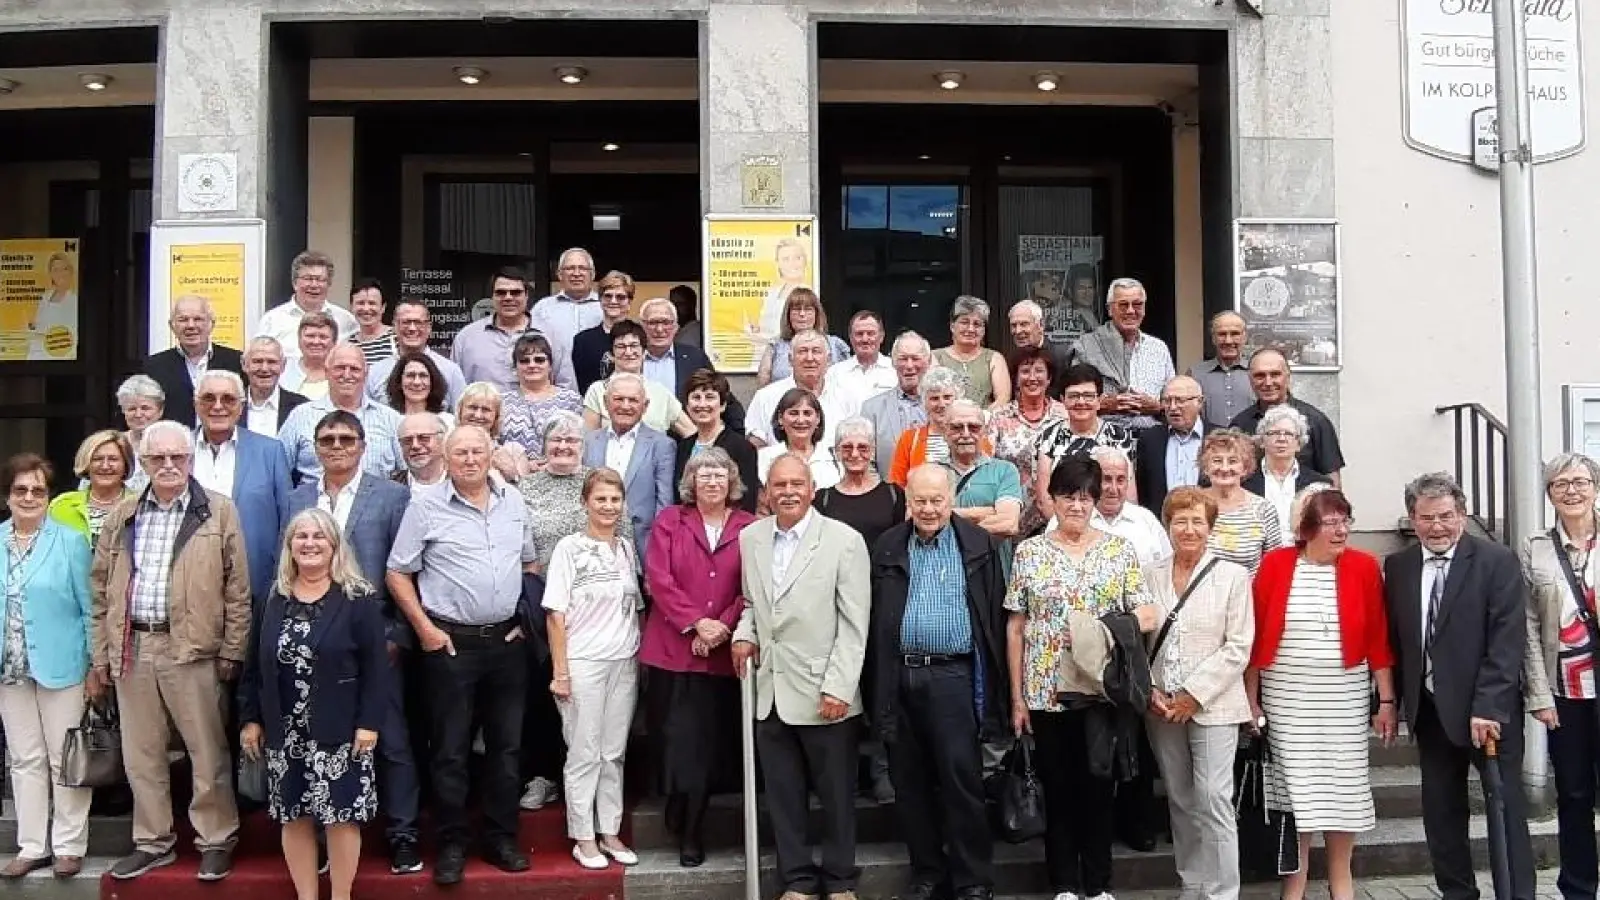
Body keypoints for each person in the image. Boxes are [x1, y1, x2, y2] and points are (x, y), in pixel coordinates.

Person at [89, 420, 250, 881]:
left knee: (207, 752)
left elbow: (238, 588)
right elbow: (100, 589)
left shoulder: (217, 510)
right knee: (142, 755)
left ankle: (215, 839)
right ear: (143, 463)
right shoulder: (124, 513)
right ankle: (153, 841)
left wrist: (233, 649)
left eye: (177, 457)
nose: (168, 465)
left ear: (190, 460)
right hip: (133, 647)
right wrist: (101, 655)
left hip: (194, 650)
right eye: (158, 458)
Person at [385, 425, 537, 885]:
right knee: (450, 750)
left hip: (507, 644)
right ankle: (451, 843)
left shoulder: (513, 500)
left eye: (477, 451)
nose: (470, 460)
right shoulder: (425, 506)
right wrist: (425, 630)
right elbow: (397, 572)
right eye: (461, 453)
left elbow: (529, 561)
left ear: (491, 454)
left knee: (506, 748)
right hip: (450, 645)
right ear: (446, 459)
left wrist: (524, 619)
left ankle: (501, 837)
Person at [1006, 457, 1154, 900]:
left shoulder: (1118, 551)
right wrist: (1016, 698)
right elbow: (1016, 626)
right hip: (1045, 689)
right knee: (1058, 787)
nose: (1077, 505)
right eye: (1068, 496)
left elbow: (1146, 613)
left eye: (1085, 497)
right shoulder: (1029, 552)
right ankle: (1064, 884)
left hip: (1099, 691)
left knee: (1097, 787)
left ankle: (1098, 883)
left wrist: (1101, 631)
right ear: (1052, 500)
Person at [1384, 473, 1534, 900]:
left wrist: (1488, 706)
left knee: (1504, 809)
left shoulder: (1496, 561)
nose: (1437, 526)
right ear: (1413, 519)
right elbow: (1397, 639)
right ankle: (1457, 893)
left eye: (1446, 516)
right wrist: (1390, 701)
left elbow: (1506, 641)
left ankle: (1516, 894)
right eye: (1427, 517)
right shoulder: (1399, 567)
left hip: (1486, 711)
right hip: (1430, 710)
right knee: (1441, 813)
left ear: (1462, 516)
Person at [284, 410, 418, 873]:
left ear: (362, 445)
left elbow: (407, 567)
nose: (337, 446)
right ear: (315, 447)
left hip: (378, 638)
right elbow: (285, 565)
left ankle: (403, 834)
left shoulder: (393, 496)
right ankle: (325, 837)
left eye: (346, 438)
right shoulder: (298, 498)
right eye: (327, 439)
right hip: (313, 644)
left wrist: (399, 634)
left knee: (392, 740)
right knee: (321, 742)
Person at [732, 454, 871, 900]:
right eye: (779, 485)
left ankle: (841, 881)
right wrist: (743, 634)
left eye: (797, 484)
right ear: (766, 493)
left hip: (824, 690)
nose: (788, 492)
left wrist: (839, 687)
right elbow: (752, 604)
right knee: (783, 795)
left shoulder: (844, 541)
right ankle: (797, 881)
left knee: (836, 796)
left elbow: (854, 623)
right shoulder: (751, 537)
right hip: (770, 688)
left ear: (813, 490)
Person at [1248, 489, 1396, 900]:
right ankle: (1294, 883)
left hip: (1344, 697)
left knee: (1344, 787)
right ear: (1307, 528)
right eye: (1330, 522)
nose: (1341, 530)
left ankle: (1340, 880)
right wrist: (1251, 700)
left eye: (1345, 520)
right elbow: (1255, 636)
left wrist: (1386, 701)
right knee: (1293, 790)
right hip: (1286, 697)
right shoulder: (1276, 564)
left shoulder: (1364, 566)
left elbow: (1378, 637)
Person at [868, 464, 1008, 900]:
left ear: (952, 501)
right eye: (920, 501)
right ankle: (927, 874)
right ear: (908, 502)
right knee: (909, 783)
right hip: (900, 674)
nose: (928, 509)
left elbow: (994, 617)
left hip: (954, 676)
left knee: (961, 779)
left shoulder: (978, 544)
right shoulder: (888, 545)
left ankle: (973, 880)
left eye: (937, 500)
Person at [238, 508, 388, 900]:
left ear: (335, 545)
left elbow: (376, 669)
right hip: (285, 730)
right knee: (294, 816)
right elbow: (253, 664)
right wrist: (251, 718)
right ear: (290, 546)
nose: (310, 544)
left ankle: (340, 896)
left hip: (341, 729)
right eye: (301, 536)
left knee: (341, 817)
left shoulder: (357, 599)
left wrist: (369, 722)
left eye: (319, 536)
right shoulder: (272, 598)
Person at [643, 448, 755, 866]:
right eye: (704, 474)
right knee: (673, 740)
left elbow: (751, 585)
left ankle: (692, 830)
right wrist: (695, 623)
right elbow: (659, 578)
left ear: (731, 482)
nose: (711, 481)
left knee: (704, 748)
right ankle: (675, 801)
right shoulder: (670, 520)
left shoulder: (749, 526)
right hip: (671, 651)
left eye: (719, 474)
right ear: (691, 481)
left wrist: (720, 626)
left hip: (720, 656)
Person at [1143, 487, 1254, 900]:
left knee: (1213, 798)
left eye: (1197, 522)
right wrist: (1150, 688)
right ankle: (1193, 884)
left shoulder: (1233, 576)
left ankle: (1222, 892)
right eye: (1180, 521)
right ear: (1167, 526)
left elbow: (1238, 645)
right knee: (1180, 797)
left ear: (1210, 528)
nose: (1188, 529)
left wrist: (1194, 694)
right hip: (1161, 706)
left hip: (1214, 704)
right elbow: (1138, 639)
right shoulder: (1149, 573)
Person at [543, 467, 643, 870]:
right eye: (600, 498)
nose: (608, 506)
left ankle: (610, 832)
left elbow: (635, 608)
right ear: (585, 502)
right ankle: (583, 837)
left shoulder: (626, 549)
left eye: (615, 499)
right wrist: (561, 672)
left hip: (624, 660)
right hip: (583, 662)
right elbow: (555, 614)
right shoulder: (569, 548)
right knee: (584, 751)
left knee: (613, 752)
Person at [0, 454, 94, 879]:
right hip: (10, 668)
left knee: (64, 758)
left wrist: (95, 665)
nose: (29, 497)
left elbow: (90, 608)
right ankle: (32, 846)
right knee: (24, 758)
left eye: (38, 490)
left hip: (63, 664)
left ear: (49, 495)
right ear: (7, 496)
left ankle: (69, 846)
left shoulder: (70, 541)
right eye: (20, 489)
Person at [1521, 453, 1600, 900]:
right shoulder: (1536, 547)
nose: (1572, 491)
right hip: (1566, 690)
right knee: (1573, 794)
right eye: (1560, 484)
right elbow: (1528, 627)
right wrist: (1539, 693)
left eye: (1580, 482)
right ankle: (1578, 888)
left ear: (1595, 487)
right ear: (1550, 494)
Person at [513, 412, 591, 813]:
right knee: (542, 693)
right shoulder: (524, 487)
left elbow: (623, 540)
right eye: (555, 440)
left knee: (586, 696)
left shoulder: (598, 483)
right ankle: (543, 776)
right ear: (543, 447)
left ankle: (585, 780)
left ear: (583, 447)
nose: (563, 447)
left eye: (571, 440)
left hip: (591, 609)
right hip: (540, 607)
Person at [191, 370, 294, 601]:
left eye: (228, 399)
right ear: (196, 405)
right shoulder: (178, 451)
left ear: (241, 406)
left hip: (254, 581)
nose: (218, 406)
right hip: (189, 584)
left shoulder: (270, 452)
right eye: (209, 398)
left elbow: (288, 521)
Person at [580, 373, 676, 563]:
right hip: (592, 548)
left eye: (633, 400)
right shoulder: (588, 442)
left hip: (643, 549)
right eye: (618, 399)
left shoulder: (662, 445)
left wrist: (658, 556)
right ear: (606, 403)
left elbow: (664, 504)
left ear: (645, 406)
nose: (625, 406)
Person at [278, 344, 404, 485]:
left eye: (354, 369)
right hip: (315, 498)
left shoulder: (390, 419)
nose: (347, 375)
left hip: (377, 497)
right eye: (340, 368)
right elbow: (278, 471)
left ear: (366, 374)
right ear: (326, 372)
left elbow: (408, 473)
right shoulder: (300, 416)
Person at [1034, 363, 1138, 521]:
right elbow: (1045, 501)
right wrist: (1071, 528)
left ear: (1100, 400)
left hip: (1111, 525)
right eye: (1073, 396)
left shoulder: (1119, 436)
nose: (1081, 402)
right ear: (1062, 400)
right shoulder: (1049, 437)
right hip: (1061, 525)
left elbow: (1129, 497)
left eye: (1088, 396)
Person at [1229, 349, 1345, 488]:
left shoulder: (1315, 421)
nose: (1268, 382)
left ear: (1288, 376)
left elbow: (1332, 480)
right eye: (1260, 376)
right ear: (1250, 379)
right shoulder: (1240, 425)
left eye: (1275, 374)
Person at [1071, 277, 1174, 430]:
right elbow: (1072, 401)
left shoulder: (1158, 349)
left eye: (1137, 304)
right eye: (1123, 305)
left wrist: (1156, 407)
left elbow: (1174, 401)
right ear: (1109, 309)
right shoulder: (1086, 346)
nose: (1131, 311)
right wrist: (1104, 404)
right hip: (1103, 437)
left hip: (1152, 437)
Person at [987, 348, 1066, 538]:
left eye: (1039, 371)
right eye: (1025, 371)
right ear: (1015, 378)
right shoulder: (998, 416)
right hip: (1011, 515)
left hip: (1057, 515)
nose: (1032, 378)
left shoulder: (1064, 415)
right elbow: (986, 463)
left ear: (1049, 378)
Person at [944, 401, 1024, 571]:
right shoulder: (930, 472)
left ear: (985, 431)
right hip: (944, 569)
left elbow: (1008, 524)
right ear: (945, 431)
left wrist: (946, 517)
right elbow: (915, 519)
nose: (966, 434)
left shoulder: (1004, 470)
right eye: (957, 427)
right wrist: (984, 512)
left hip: (991, 569)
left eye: (974, 427)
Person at [143, 295, 244, 429]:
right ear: (172, 326)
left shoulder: (236, 362)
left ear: (211, 324)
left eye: (198, 319)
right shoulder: (153, 367)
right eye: (183, 320)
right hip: (174, 441)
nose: (191, 325)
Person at [747, 329, 856, 448]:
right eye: (802, 351)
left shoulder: (846, 397)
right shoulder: (765, 397)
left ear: (829, 359)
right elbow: (756, 445)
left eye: (816, 351)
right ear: (790, 359)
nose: (809, 358)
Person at [582, 322, 693, 437]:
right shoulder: (597, 391)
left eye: (634, 345)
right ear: (611, 355)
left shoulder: (660, 392)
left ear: (644, 352)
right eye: (621, 346)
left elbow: (691, 432)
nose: (628, 352)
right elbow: (588, 440)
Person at [674, 369, 759, 514]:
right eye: (696, 397)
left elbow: (747, 502)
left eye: (709, 397)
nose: (702, 404)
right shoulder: (683, 447)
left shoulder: (742, 447)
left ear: (723, 405)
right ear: (687, 406)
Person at [452, 267, 548, 394]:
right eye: (501, 292)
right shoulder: (467, 338)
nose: (508, 297)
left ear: (526, 296)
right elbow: (455, 389)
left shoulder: (549, 335)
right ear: (492, 297)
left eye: (515, 292)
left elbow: (564, 385)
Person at [1243, 405, 1331, 545]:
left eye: (1289, 434)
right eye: (1274, 433)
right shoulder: (1244, 482)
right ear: (1262, 441)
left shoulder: (1319, 485)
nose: (1281, 439)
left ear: (1299, 443)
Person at [816, 417, 906, 553]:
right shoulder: (823, 499)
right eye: (847, 448)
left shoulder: (894, 494)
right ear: (837, 452)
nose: (854, 454)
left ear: (872, 451)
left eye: (862, 448)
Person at [1199, 429, 1281, 575]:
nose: (1224, 468)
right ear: (1205, 467)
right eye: (1217, 461)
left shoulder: (1263, 509)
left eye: (1233, 461)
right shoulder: (1191, 504)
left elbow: (1275, 565)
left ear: (1245, 468)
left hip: (1247, 589)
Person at [364, 300, 469, 410]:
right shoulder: (375, 373)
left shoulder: (451, 371)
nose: (412, 328)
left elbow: (462, 414)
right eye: (406, 322)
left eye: (418, 322)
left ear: (429, 327)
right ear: (394, 326)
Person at [255, 250, 360, 354]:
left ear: (329, 284)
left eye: (320, 279)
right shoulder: (272, 320)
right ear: (294, 283)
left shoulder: (346, 320)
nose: (314, 285)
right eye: (308, 279)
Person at [500, 332, 583, 460]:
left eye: (539, 360)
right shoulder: (502, 402)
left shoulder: (571, 400)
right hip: (513, 471)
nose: (532, 365)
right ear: (515, 367)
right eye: (524, 361)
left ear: (550, 365)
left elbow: (581, 443)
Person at [861, 332, 933, 477]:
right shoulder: (872, 409)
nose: (909, 365)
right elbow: (866, 462)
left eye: (915, 358)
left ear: (928, 361)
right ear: (893, 362)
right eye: (903, 359)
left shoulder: (944, 406)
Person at [1134, 375, 1207, 518]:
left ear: (1199, 402)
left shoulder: (1217, 438)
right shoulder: (1149, 439)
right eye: (1167, 401)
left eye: (1180, 400)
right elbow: (1143, 492)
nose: (1173, 407)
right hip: (1160, 526)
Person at [530, 247, 602, 391]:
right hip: (555, 391)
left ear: (592, 274)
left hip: (600, 390)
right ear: (559, 274)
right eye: (570, 268)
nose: (576, 273)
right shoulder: (543, 309)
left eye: (582, 268)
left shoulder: (605, 307)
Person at [50, 430, 136, 546]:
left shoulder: (141, 505)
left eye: (113, 459)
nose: (105, 466)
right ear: (86, 464)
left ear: (126, 464)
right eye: (97, 459)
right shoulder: (61, 505)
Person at [756, 287, 850, 387]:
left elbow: (847, 383)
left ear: (817, 314)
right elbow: (763, 386)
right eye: (796, 309)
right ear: (788, 315)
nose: (802, 314)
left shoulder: (835, 345)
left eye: (808, 309)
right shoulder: (776, 346)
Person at [888, 365, 964, 486]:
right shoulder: (909, 439)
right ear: (924, 402)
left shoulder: (973, 436)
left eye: (947, 397)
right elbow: (897, 485)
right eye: (934, 398)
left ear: (958, 399)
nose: (941, 404)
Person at [757, 388, 842, 492]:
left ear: (818, 418)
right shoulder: (763, 458)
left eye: (807, 413)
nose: (801, 420)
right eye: (793, 413)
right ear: (780, 418)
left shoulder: (835, 458)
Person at [934, 295, 1011, 407]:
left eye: (977, 324)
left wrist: (980, 416)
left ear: (984, 330)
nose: (970, 329)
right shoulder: (935, 357)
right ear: (952, 326)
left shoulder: (994, 358)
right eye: (964, 322)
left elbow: (1002, 399)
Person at [571, 270, 634, 394]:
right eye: (608, 296)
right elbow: (583, 385)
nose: (613, 301)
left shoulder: (640, 336)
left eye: (620, 297)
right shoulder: (583, 340)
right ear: (600, 300)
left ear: (629, 302)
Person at [1187, 312, 1251, 431]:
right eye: (1222, 334)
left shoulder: (1257, 373)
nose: (1228, 341)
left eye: (1235, 334)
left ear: (1245, 337)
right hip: (1208, 441)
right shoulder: (1195, 374)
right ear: (1213, 338)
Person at [826, 311, 896, 411]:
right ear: (850, 338)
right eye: (859, 334)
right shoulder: (835, 373)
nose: (865, 339)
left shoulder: (895, 370)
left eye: (870, 333)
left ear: (881, 337)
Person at [243, 337, 309, 437]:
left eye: (272, 362)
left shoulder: (302, 407)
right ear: (244, 364)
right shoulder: (229, 405)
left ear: (283, 365)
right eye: (257, 361)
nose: (264, 369)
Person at [752, 237, 812, 345]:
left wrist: (765, 340)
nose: (792, 263)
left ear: (805, 261)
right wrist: (756, 332)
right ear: (778, 263)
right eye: (786, 259)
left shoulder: (811, 295)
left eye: (797, 258)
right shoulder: (771, 295)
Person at [115, 374, 166, 493]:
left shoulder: (175, 443)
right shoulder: (113, 444)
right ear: (123, 411)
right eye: (132, 409)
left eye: (145, 408)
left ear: (160, 410)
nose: (138, 414)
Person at [384, 350, 457, 431]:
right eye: (410, 375)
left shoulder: (448, 422)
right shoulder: (388, 422)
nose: (417, 382)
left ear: (433, 381)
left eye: (423, 376)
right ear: (399, 381)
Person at [281, 311, 337, 400]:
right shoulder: (283, 368)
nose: (316, 342)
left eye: (323, 337)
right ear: (299, 340)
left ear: (334, 342)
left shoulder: (342, 371)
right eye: (310, 336)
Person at [1007, 299, 1074, 372]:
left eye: (1024, 324)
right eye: (1013, 325)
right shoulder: (1008, 359)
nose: (1018, 331)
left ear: (1041, 325)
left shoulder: (1063, 356)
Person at [394, 412, 448, 495]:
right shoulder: (390, 488)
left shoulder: (463, 483)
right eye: (407, 440)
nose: (415, 445)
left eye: (424, 438)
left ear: (442, 441)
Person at [347, 278, 396, 364]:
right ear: (351, 307)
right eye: (361, 303)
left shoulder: (397, 338)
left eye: (372, 303)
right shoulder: (348, 344)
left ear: (383, 307)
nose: (366, 309)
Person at [670, 284, 701, 348]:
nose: (674, 308)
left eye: (679, 304)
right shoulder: (679, 332)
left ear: (691, 305)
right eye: (672, 304)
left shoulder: (697, 331)